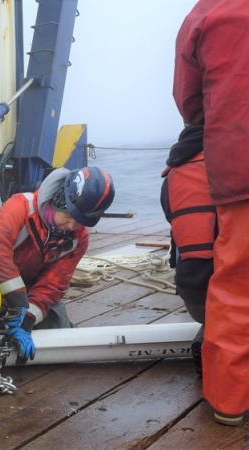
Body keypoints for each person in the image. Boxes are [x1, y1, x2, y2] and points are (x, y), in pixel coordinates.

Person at [174, 0, 249, 426]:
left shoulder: (206, 13)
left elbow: (188, 99)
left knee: (237, 283)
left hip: (238, 162)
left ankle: (230, 401)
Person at [0, 166, 115, 362]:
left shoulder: (79, 239)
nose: (72, 226)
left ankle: (11, 324)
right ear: (59, 200)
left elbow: (54, 284)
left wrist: (28, 317)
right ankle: (1, 323)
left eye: (80, 222)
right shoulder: (19, 207)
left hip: (30, 290)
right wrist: (18, 301)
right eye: (69, 217)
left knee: (59, 331)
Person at [160, 124, 215, 374]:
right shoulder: (232, 167)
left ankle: (207, 338)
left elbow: (174, 221)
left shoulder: (171, 176)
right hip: (224, 294)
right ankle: (214, 347)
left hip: (191, 294)